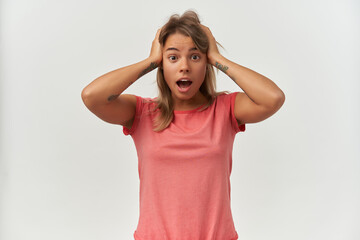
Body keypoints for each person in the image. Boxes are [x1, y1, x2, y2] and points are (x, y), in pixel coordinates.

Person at [81, 10, 285, 240]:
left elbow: (273, 98)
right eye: (173, 57)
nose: (184, 66)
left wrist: (218, 58)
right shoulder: (142, 113)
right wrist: (150, 61)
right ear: (162, 65)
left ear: (205, 63)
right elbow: (92, 96)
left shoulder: (226, 109)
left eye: (195, 56)